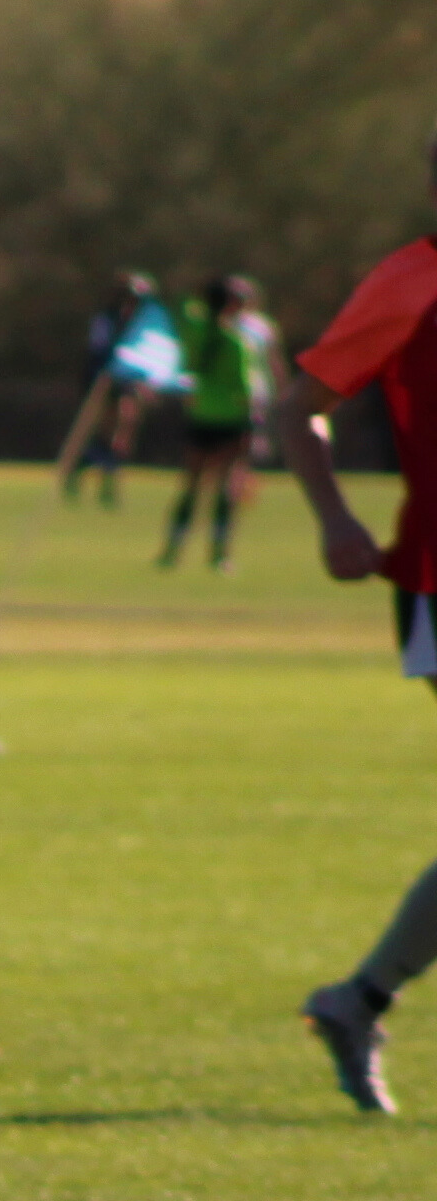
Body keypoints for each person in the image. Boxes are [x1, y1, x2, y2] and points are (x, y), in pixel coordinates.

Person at [274, 131, 437, 1113]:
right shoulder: (412, 282)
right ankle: (358, 998)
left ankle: (357, 999)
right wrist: (334, 517)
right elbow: (300, 408)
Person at [164, 272, 273, 571]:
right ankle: (219, 553)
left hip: (199, 415)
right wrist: (258, 429)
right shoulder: (238, 342)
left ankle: (172, 549)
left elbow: (182, 303)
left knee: (191, 485)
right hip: (231, 420)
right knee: (227, 488)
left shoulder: (193, 328)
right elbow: (246, 390)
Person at [55, 270, 178, 503]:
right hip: (104, 381)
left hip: (128, 381)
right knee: (109, 428)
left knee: (123, 430)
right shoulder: (108, 320)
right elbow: (98, 351)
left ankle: (108, 476)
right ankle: (86, 467)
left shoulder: (144, 325)